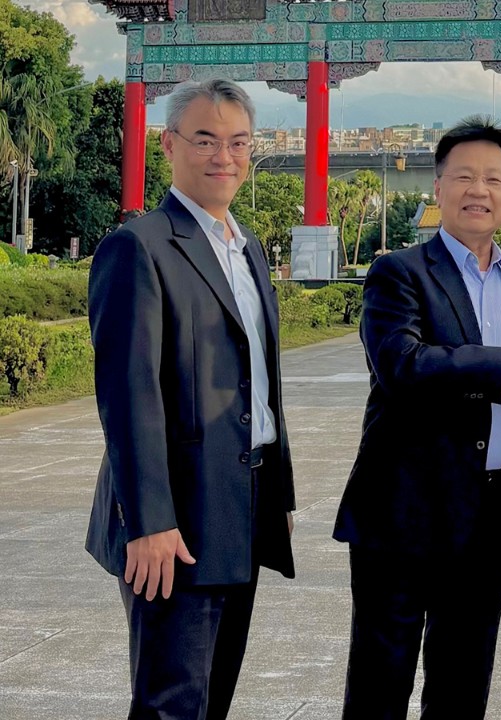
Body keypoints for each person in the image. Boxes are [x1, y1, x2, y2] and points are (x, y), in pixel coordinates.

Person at [332, 118, 501, 719]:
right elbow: (401, 364)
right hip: (405, 511)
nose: (477, 190)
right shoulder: (399, 273)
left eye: (493, 178)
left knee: (463, 684)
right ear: (438, 189)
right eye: (463, 176)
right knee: (382, 682)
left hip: (490, 514)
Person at [86, 78, 296, 720]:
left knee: (213, 697)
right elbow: (128, 397)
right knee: (171, 703)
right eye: (204, 139)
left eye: (237, 143)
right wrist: (148, 521)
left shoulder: (249, 247)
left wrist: (279, 494)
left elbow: (262, 382)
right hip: (174, 518)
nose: (222, 157)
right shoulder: (140, 246)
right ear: (169, 144)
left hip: (244, 505)